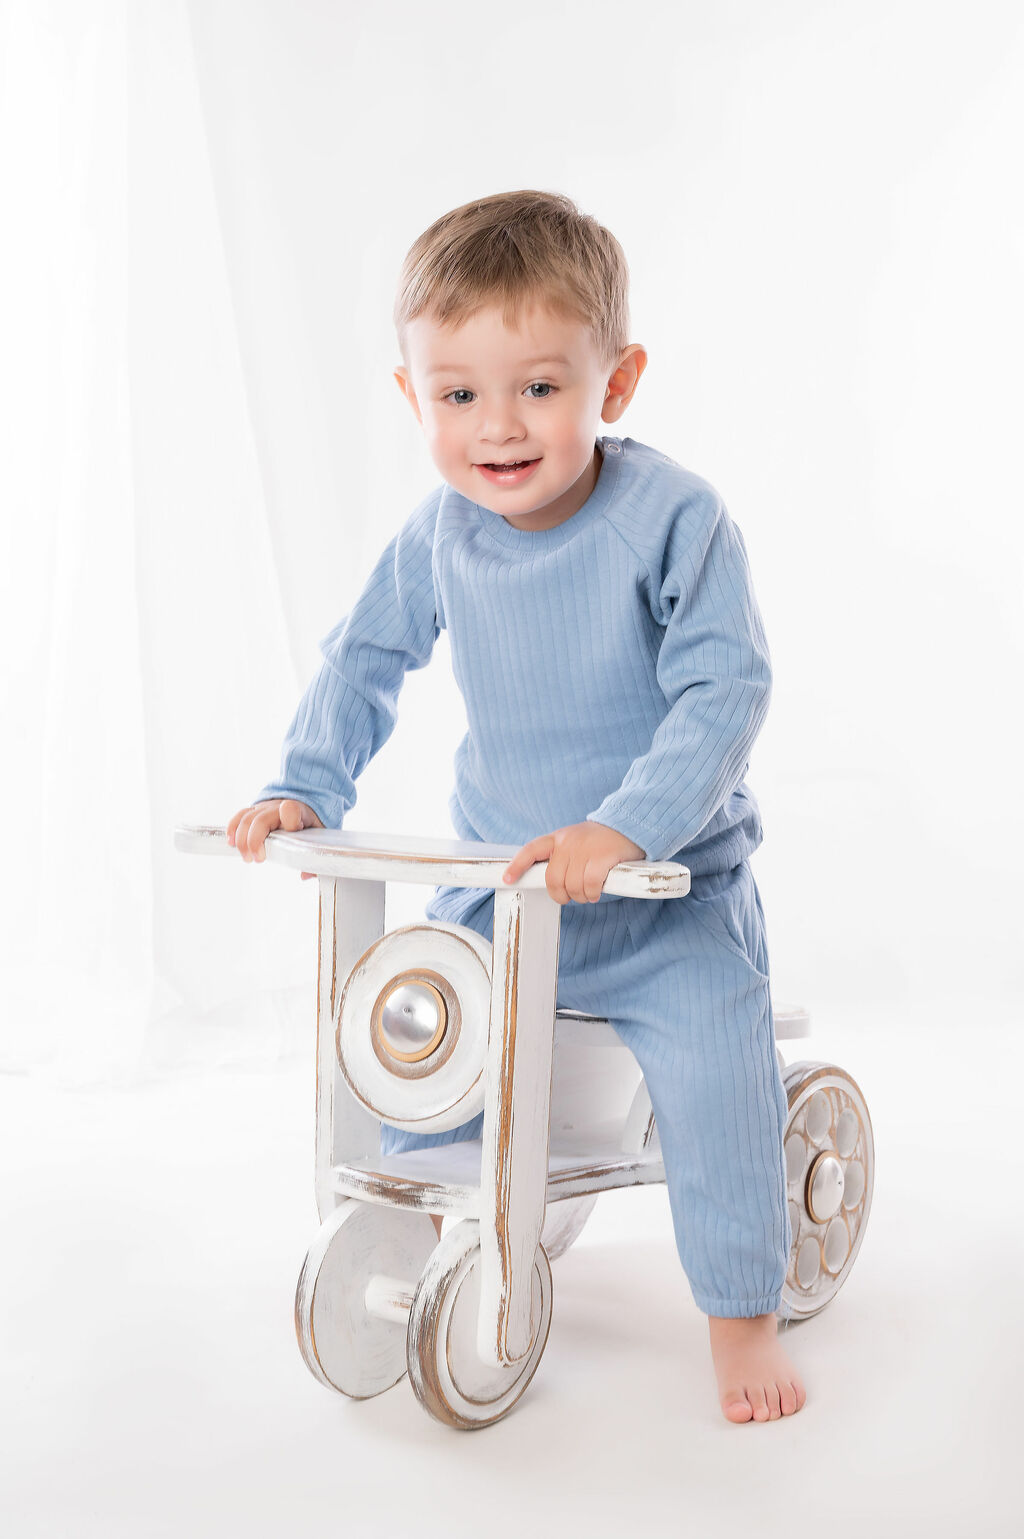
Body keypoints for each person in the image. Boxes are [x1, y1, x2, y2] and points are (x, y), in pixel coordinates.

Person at [227, 190, 806, 1424]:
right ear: (412, 397)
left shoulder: (674, 518)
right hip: (503, 895)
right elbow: (362, 660)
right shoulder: (442, 536)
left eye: (539, 387)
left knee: (718, 1076)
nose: (498, 426)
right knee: (418, 1046)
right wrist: (302, 785)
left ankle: (742, 1315)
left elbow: (725, 687)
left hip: (664, 901)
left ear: (616, 380)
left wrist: (628, 826)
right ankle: (425, 1235)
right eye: (458, 395)